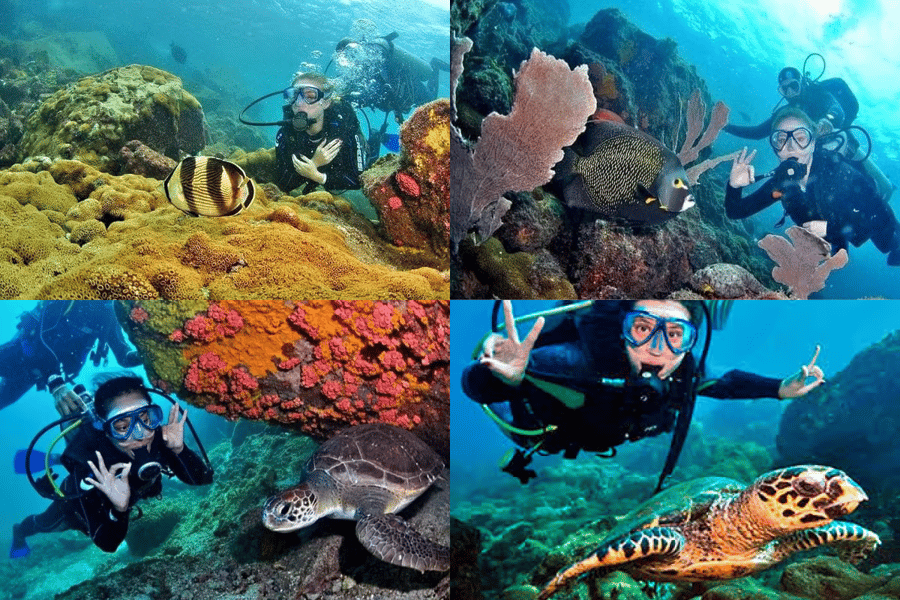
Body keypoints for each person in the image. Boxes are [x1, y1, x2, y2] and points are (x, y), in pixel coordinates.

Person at [462, 301, 824, 485]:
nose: (657, 347)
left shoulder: (684, 372)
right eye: (643, 328)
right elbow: (474, 387)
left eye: (675, 334)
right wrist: (501, 377)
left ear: (689, 341)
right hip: (536, 429)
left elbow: (727, 383)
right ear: (623, 331)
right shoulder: (572, 361)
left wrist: (779, 388)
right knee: (518, 428)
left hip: (598, 434)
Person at [10, 374, 213, 558]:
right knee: (44, 523)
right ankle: (19, 531)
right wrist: (119, 509)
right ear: (107, 431)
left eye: (145, 419)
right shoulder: (92, 470)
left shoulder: (159, 437)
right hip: (74, 509)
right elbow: (107, 544)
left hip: (133, 495)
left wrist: (180, 450)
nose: (140, 435)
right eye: (123, 427)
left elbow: (203, 479)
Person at [726, 107, 900, 266]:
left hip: (864, 218)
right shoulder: (782, 184)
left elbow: (877, 220)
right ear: (775, 149)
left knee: (888, 244)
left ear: (813, 143)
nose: (791, 147)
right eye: (781, 139)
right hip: (832, 237)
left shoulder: (840, 172)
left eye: (800, 138)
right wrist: (734, 186)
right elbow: (736, 211)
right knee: (836, 253)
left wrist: (828, 228)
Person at [725, 65, 892, 202]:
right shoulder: (786, 113)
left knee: (882, 188)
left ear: (801, 83)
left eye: (794, 86)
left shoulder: (819, 95)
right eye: (784, 89)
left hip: (845, 149)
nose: (790, 92)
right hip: (820, 162)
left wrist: (828, 120)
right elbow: (757, 132)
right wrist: (724, 126)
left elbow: (837, 110)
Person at [0, 301, 141, 412]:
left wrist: (143, 355)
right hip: (17, 353)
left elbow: (123, 355)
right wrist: (56, 384)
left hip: (35, 374)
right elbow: (42, 338)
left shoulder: (108, 314)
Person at [274, 72, 365, 194]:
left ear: (326, 103)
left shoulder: (344, 130)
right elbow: (283, 183)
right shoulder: (286, 133)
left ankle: (377, 137)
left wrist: (320, 177)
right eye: (294, 95)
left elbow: (358, 180)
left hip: (355, 159)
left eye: (310, 96)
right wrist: (314, 163)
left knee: (372, 157)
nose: (299, 102)